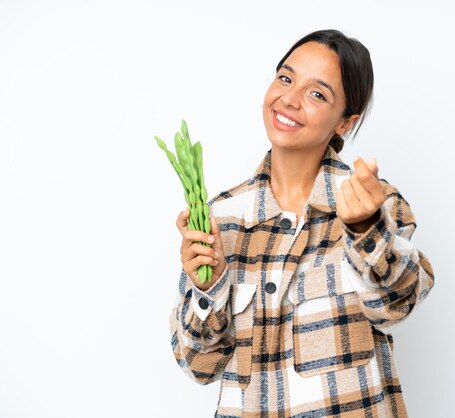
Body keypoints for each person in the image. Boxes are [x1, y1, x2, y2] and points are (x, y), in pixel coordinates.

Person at [169, 29, 435, 417]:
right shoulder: (219, 219)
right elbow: (199, 366)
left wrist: (365, 232)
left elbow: (396, 304)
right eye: (286, 78)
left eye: (317, 94)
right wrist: (208, 288)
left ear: (345, 122)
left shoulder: (372, 204)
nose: (289, 99)